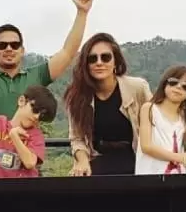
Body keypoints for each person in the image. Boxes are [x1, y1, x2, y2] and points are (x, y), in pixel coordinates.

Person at [64, 33, 152, 176]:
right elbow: (77, 139)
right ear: (86, 64)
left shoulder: (138, 88)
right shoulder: (77, 98)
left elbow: (157, 124)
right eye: (92, 59)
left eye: (106, 57)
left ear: (115, 61)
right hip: (98, 162)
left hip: (137, 161)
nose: (99, 63)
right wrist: (82, 161)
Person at [135, 65, 186, 175]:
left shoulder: (185, 119)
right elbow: (146, 146)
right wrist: (181, 158)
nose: (179, 87)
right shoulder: (149, 109)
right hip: (150, 178)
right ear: (164, 84)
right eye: (173, 82)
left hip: (178, 180)